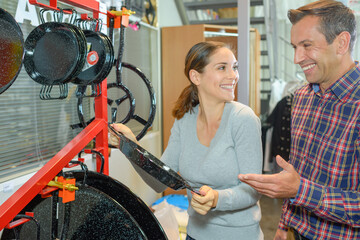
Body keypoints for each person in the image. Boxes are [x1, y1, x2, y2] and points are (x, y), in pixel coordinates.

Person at [110, 41, 264, 239]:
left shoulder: (243, 119)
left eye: (234, 68)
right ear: (195, 76)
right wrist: (130, 146)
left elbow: (253, 189)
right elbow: (160, 181)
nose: (233, 75)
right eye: (222, 68)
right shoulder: (185, 120)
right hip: (195, 234)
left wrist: (217, 198)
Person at [238, 1, 360, 239]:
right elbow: (296, 172)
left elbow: (298, 186)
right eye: (295, 46)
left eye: (306, 45)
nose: (296, 58)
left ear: (342, 43)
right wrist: (285, 223)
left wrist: (301, 190)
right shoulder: (302, 98)